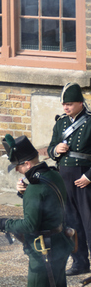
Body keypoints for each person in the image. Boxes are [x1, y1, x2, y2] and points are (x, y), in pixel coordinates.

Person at [0, 134, 79, 287]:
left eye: (18, 166)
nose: (17, 170)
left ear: (27, 163)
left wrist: (2, 224)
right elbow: (48, 205)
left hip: (43, 254)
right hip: (58, 247)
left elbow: (29, 224)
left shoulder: (35, 189)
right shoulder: (52, 175)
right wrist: (25, 193)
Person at [47, 82, 91, 276]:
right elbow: (50, 149)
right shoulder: (61, 123)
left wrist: (89, 176)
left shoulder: (90, 122)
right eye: (64, 103)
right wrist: (56, 150)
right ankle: (80, 263)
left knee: (90, 223)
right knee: (72, 223)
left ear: (81, 103)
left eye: (70, 103)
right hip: (65, 179)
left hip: (84, 178)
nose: (66, 107)